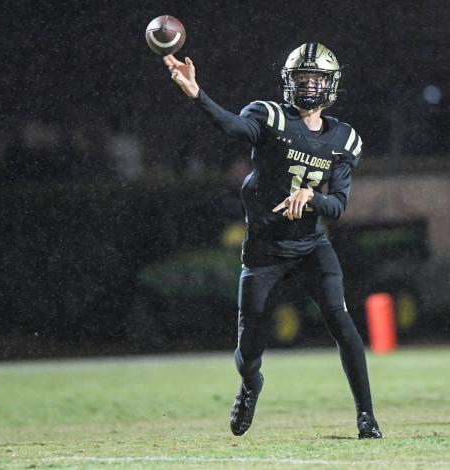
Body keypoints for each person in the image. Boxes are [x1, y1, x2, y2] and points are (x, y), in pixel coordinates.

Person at [163, 42, 382, 439]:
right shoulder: (269, 117)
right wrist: (197, 94)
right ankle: (250, 386)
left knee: (342, 322)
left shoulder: (344, 139)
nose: (310, 86)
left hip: (311, 246)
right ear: (289, 81)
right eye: (303, 78)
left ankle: (367, 416)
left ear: (330, 84)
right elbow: (232, 126)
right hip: (265, 250)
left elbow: (339, 206)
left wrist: (312, 197)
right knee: (249, 349)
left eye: (316, 78)